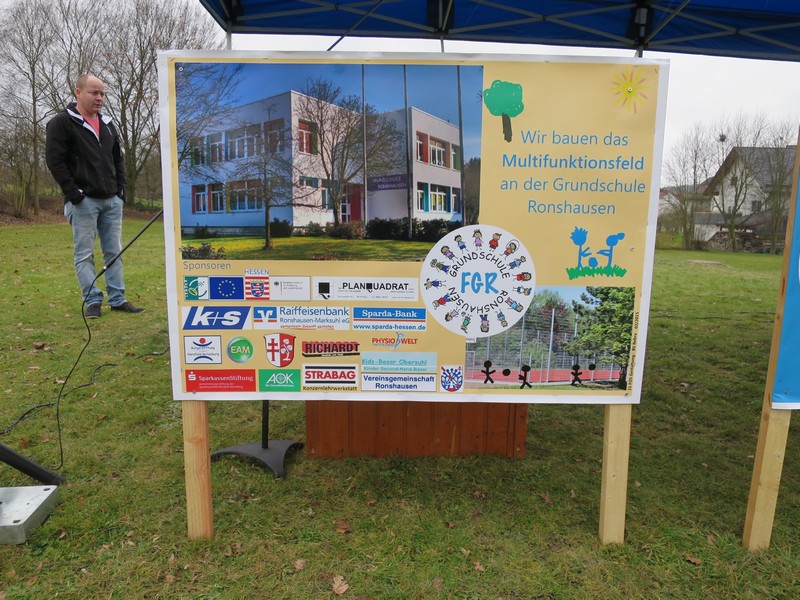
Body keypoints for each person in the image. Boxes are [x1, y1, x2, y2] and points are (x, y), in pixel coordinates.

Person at [46, 74, 143, 318]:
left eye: (102, 93)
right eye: (94, 92)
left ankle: (118, 299)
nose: (99, 98)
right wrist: (74, 193)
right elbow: (55, 161)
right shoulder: (62, 122)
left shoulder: (108, 124)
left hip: (112, 200)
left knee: (114, 252)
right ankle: (92, 301)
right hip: (83, 202)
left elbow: (117, 159)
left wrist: (121, 189)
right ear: (78, 92)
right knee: (84, 254)